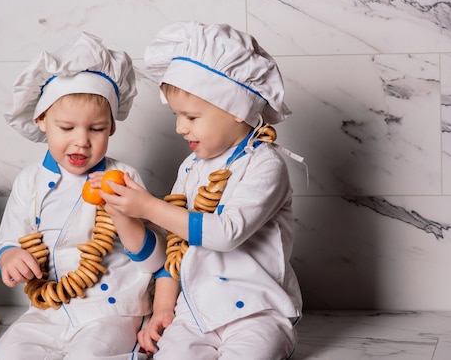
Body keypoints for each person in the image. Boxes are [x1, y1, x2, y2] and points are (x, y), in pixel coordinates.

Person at [100, 21, 303, 359]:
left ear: (237, 111)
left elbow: (225, 234)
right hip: (194, 310)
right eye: (177, 116)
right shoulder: (191, 168)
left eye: (191, 117)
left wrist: (148, 207)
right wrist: (165, 307)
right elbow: (176, 247)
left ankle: (280, 338)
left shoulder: (265, 165)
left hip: (257, 313)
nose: (180, 128)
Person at [0, 32, 166, 360]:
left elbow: (157, 260)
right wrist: (10, 258)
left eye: (96, 129)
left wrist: (122, 212)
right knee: (7, 354)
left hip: (112, 310)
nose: (82, 142)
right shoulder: (29, 181)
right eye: (67, 128)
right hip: (49, 310)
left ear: (111, 127)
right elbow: (7, 242)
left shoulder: (125, 179)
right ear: (41, 121)